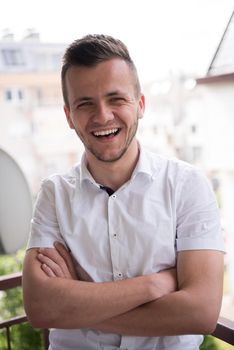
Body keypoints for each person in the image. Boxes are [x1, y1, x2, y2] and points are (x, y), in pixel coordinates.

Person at [22, 34, 225, 350]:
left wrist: (76, 304)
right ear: (69, 117)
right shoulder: (53, 194)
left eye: (116, 99)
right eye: (85, 103)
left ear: (140, 105)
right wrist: (154, 285)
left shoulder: (187, 184)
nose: (103, 116)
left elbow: (200, 312)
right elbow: (40, 308)